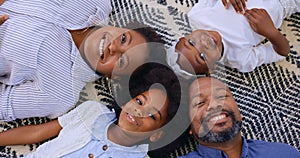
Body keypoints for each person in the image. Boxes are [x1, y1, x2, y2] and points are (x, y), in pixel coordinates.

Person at [0, 0, 166, 121]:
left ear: (115, 77)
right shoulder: (97, 3)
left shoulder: (60, 92)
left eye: (122, 61)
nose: (113, 47)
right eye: (123, 38)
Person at [0, 63, 181, 158]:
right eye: (140, 101)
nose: (138, 111)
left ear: (156, 135)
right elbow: (39, 132)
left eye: (152, 115)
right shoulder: (93, 111)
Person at [166, 0, 300, 78]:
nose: (203, 43)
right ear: (211, 69)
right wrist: (270, 31)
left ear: (185, 36)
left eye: (191, 42)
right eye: (202, 56)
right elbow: (281, 52)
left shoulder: (197, 16)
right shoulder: (239, 58)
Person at [180, 77, 300, 158]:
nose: (215, 105)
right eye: (199, 102)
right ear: (189, 126)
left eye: (222, 96)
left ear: (238, 110)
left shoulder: (284, 154)